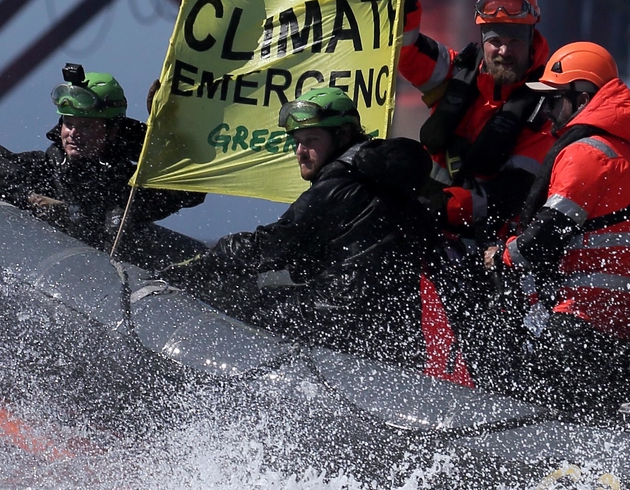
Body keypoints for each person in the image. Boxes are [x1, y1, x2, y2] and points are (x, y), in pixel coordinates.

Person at [174, 85, 444, 366]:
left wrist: (204, 263)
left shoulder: (338, 185)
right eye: (297, 141)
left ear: (342, 135)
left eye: (311, 140)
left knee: (241, 309)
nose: (300, 152)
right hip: (395, 327)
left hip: (342, 311)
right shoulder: (384, 178)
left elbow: (272, 245)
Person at [386, 0, 560, 382]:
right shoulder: (458, 73)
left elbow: (507, 198)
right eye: (495, 38)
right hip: (429, 224)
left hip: (488, 249)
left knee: (486, 349)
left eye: (514, 40)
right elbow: (407, 53)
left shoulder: (545, 110)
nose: (503, 49)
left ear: (531, 36)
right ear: (482, 36)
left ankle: (489, 402)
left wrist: (434, 203)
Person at [486, 41, 630, 420]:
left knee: (547, 417)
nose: (546, 113)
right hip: (617, 318)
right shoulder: (618, 150)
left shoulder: (586, 153)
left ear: (581, 99)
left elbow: (545, 235)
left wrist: (502, 255)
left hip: (585, 316)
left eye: (552, 100)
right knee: (591, 419)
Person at [0, 63, 202, 258]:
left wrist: (168, 140)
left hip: (118, 264)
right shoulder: (51, 165)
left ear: (113, 130)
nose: (73, 133)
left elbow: (188, 192)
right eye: (69, 124)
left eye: (86, 126)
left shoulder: (131, 176)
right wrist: (31, 198)